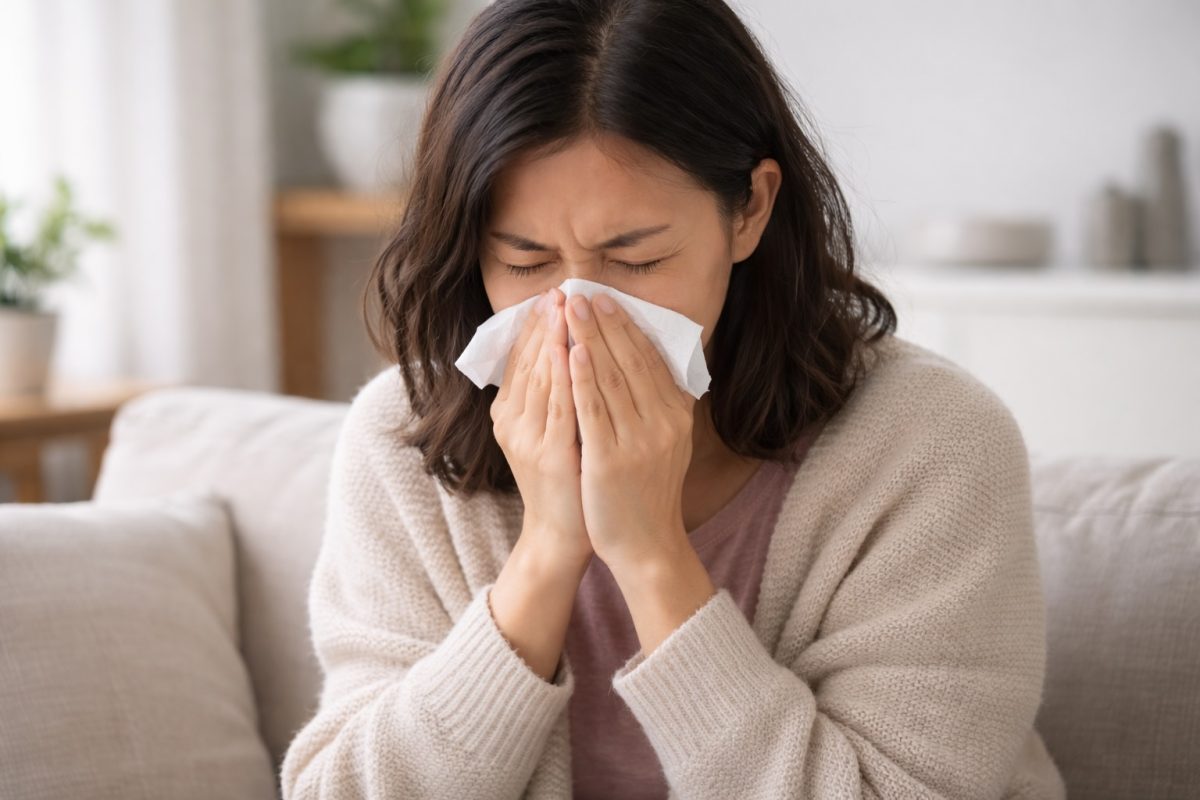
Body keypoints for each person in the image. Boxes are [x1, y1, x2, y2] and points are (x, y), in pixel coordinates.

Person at [280, 0, 1067, 798]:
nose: (577, 313)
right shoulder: (406, 435)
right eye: (525, 262)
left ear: (750, 210)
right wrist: (547, 552)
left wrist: (651, 553)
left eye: (638, 259)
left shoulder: (931, 446)